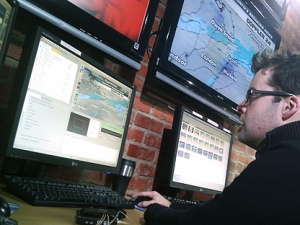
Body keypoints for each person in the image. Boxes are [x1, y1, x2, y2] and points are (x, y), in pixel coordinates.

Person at [132, 50, 300, 224]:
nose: (240, 106)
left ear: (289, 106)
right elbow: (222, 214)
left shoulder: (284, 162)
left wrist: (150, 209)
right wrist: (171, 205)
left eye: (252, 95)